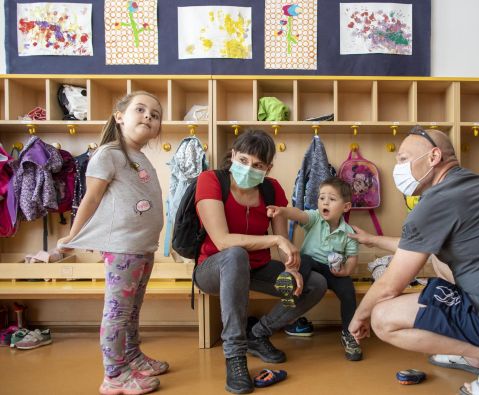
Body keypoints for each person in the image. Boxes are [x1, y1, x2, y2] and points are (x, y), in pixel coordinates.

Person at [348, 126, 479, 395]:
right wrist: (373, 240)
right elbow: (417, 247)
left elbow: (390, 286)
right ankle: (472, 351)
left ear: (434, 157)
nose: (398, 168)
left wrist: (359, 316)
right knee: (441, 259)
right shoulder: (476, 187)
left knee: (383, 317)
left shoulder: (435, 204)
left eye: (403, 159)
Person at [193, 129, 327, 394]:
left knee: (315, 283)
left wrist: (291, 269)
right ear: (233, 156)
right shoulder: (210, 180)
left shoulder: (271, 189)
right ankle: (235, 354)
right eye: (243, 160)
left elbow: (282, 244)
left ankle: (258, 334)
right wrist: (276, 242)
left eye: (257, 165)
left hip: (257, 269)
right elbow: (222, 241)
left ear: (268, 168)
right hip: (214, 268)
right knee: (234, 254)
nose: (248, 168)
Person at [58, 92, 167, 394]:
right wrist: (72, 236)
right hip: (123, 249)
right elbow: (90, 198)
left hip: (143, 248)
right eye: (141, 110)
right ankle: (114, 374)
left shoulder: (139, 157)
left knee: (132, 311)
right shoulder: (108, 154)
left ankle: (132, 356)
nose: (148, 116)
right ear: (119, 116)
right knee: (118, 312)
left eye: (155, 115)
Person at [267, 176, 362, 361]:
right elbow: (298, 214)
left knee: (348, 292)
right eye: (321, 198)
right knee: (304, 259)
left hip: (331, 270)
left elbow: (352, 258)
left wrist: (345, 271)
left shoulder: (349, 232)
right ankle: (290, 286)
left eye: (332, 199)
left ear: (346, 207)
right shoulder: (315, 218)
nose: (325, 202)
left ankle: (349, 334)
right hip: (308, 265)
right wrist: (282, 211)